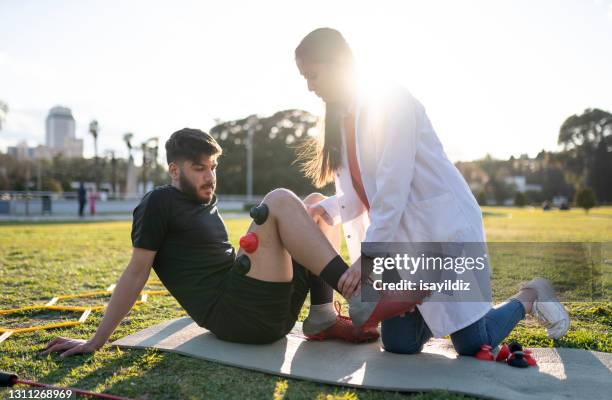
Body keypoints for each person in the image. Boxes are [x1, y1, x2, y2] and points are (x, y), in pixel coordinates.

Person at [294, 27, 570, 355]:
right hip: (403, 246)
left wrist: (367, 260)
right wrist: (326, 209)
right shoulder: (344, 120)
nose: (309, 86)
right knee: (399, 343)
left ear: (337, 62)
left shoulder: (389, 101)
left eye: (312, 75)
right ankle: (420, 300)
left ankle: (532, 294)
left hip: (443, 232)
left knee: (473, 344)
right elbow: (362, 192)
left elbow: (392, 188)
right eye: (304, 78)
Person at [41, 128, 407, 358]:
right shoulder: (158, 203)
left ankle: (322, 317)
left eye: (213, 167)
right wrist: (95, 341)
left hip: (257, 303)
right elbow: (136, 273)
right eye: (199, 168)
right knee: (279, 198)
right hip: (236, 316)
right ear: (174, 170)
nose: (210, 176)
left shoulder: (204, 199)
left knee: (314, 205)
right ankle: (359, 291)